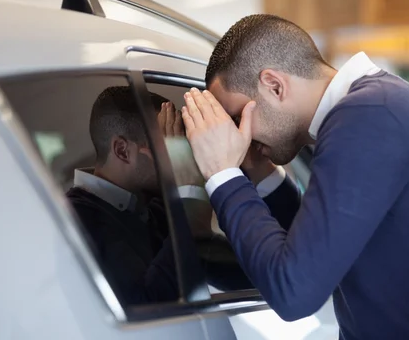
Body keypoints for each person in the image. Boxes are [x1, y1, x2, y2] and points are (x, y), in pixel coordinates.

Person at [180, 14, 409, 339]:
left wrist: (223, 173)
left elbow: (294, 292)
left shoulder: (367, 119)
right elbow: (319, 249)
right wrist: (258, 171)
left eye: (236, 117)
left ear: (274, 86)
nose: (239, 135)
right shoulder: (374, 106)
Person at [67, 86, 300, 305]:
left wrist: (256, 166)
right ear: (123, 151)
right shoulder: (75, 220)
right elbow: (151, 305)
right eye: (168, 143)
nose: (182, 153)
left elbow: (261, 274)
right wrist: (190, 192)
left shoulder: (154, 209)